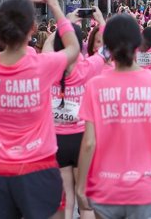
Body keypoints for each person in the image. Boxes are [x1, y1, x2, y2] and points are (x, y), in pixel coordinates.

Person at [0, 0, 80, 218]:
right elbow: (74, 48)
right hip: (38, 168)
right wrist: (54, 5)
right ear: (32, 29)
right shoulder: (42, 65)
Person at [76, 14, 151, 219]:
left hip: (107, 188)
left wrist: (80, 186)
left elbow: (89, 142)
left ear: (107, 47)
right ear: (138, 44)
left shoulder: (95, 86)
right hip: (148, 187)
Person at [46, 11, 105, 219]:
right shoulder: (88, 66)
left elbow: (47, 47)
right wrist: (101, 21)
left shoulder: (48, 65)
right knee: (86, 202)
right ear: (80, 44)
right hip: (82, 137)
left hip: (56, 139)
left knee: (65, 200)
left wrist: (64, 23)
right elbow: (108, 50)